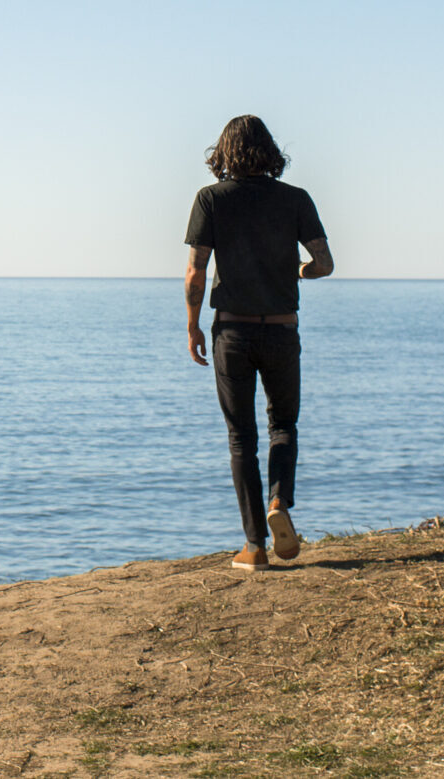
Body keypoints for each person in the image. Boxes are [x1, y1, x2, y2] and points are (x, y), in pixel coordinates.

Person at [184, 114, 334, 571]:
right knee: (282, 426)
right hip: (282, 330)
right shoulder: (295, 199)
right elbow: (324, 264)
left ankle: (255, 546)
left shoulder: (211, 199)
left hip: (232, 331)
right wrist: (297, 269)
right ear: (270, 151)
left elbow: (195, 272)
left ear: (223, 153)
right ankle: (278, 502)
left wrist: (192, 326)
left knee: (241, 438)